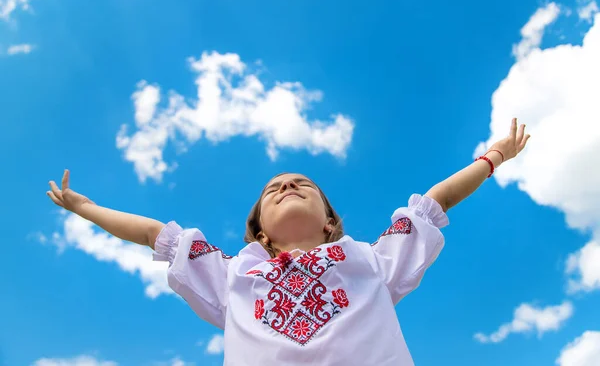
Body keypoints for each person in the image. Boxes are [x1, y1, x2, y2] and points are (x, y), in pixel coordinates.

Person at [47, 119, 530, 366]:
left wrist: (494, 157)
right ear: (260, 231)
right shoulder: (231, 273)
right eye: (273, 189)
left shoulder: (369, 260)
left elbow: (434, 202)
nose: (287, 187)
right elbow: (155, 235)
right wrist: (85, 208)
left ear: (328, 222)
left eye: (303, 184)